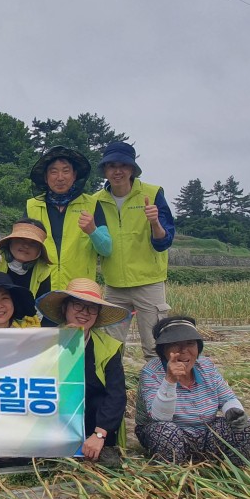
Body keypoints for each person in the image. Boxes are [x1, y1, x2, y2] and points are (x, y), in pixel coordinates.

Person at [135, 316, 250, 466]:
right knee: (166, 431)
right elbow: (160, 417)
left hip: (205, 432)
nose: (184, 351)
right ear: (163, 349)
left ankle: (233, 472)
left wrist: (234, 412)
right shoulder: (151, 372)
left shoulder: (206, 366)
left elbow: (227, 398)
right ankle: (175, 475)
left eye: (190, 344)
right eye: (175, 344)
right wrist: (170, 381)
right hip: (168, 433)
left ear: (198, 348)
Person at [94, 142, 175, 360]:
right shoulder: (96, 201)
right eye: (111, 166)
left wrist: (155, 223)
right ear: (105, 170)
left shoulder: (153, 193)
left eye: (123, 165)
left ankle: (156, 393)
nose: (117, 171)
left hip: (148, 282)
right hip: (114, 286)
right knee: (109, 348)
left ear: (132, 169)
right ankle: (114, 393)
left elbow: (164, 241)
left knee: (155, 347)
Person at [38, 279, 131, 467]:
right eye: (78, 305)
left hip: (94, 424)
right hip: (54, 420)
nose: (84, 313)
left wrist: (99, 434)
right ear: (65, 308)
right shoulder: (45, 342)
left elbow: (116, 395)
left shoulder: (109, 347)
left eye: (91, 308)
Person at [24, 146, 112, 291]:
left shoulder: (92, 205)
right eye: (53, 172)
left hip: (80, 291)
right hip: (40, 289)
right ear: (46, 177)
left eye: (66, 171)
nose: (60, 177)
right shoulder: (32, 206)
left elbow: (107, 249)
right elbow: (20, 248)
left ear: (74, 175)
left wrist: (93, 231)